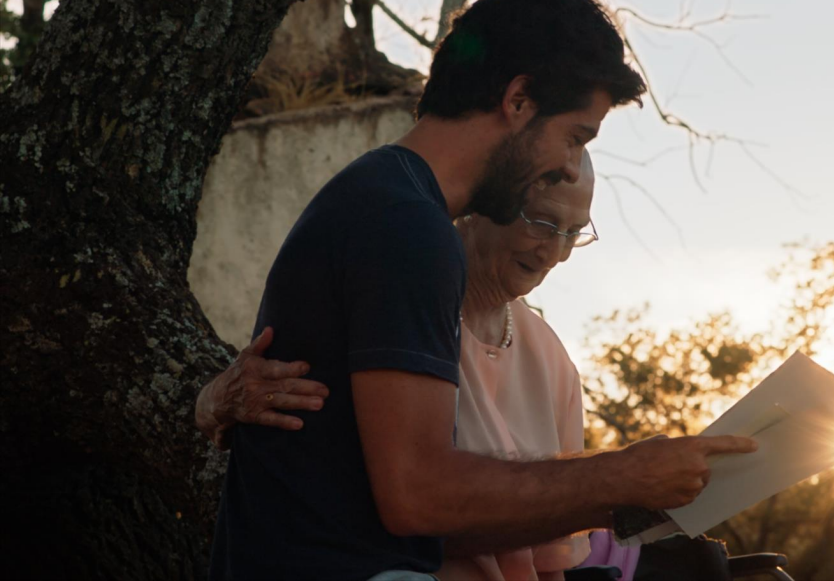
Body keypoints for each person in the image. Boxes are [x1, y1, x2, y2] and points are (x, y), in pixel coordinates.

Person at [205, 0, 756, 581]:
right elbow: (418, 494)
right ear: (518, 100)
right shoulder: (406, 226)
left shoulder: (387, 201)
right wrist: (624, 474)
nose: (567, 167)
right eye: (575, 138)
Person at [200, 151, 640, 581]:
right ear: (483, 205)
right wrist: (209, 399)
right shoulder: (395, 310)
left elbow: (550, 561)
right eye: (543, 223)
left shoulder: (553, 359)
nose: (556, 252)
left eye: (574, 232)